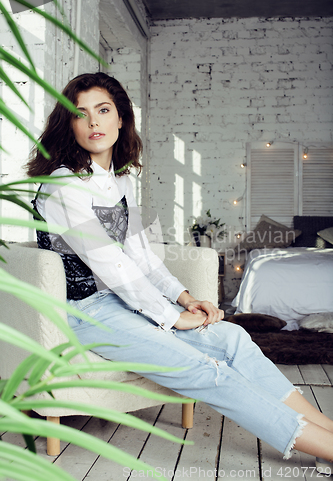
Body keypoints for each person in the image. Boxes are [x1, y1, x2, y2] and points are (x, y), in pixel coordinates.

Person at [27, 72, 333, 473]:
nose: (94, 123)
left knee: (234, 338)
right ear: (69, 124)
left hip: (119, 303)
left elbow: (142, 257)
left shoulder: (116, 181)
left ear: (121, 119)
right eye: (81, 114)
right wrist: (174, 318)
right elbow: (112, 265)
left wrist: (186, 298)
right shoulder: (65, 184)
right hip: (85, 313)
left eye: (103, 111)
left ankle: (325, 434)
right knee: (203, 370)